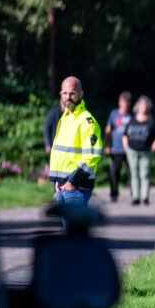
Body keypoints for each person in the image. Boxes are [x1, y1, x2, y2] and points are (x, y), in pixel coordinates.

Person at [49, 76, 102, 210]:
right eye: (65, 93)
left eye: (72, 93)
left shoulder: (87, 121)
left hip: (77, 187)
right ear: (60, 94)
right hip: (62, 186)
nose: (68, 97)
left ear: (81, 94)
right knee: (66, 223)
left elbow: (92, 157)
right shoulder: (66, 118)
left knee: (74, 224)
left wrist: (72, 182)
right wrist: (58, 179)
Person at [122, 95, 155, 205]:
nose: (144, 107)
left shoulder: (151, 121)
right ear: (138, 106)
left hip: (146, 152)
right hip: (132, 151)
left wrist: (153, 148)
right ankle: (135, 197)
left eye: (145, 106)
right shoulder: (132, 119)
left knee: (145, 174)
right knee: (134, 174)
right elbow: (125, 135)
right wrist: (126, 148)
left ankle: (145, 197)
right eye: (142, 105)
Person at [104, 91, 133, 202]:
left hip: (130, 149)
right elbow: (108, 129)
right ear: (119, 102)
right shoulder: (114, 114)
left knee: (132, 173)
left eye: (127, 102)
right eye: (123, 101)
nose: (125, 104)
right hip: (116, 149)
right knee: (114, 172)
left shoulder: (133, 115)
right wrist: (105, 145)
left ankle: (134, 194)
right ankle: (114, 194)